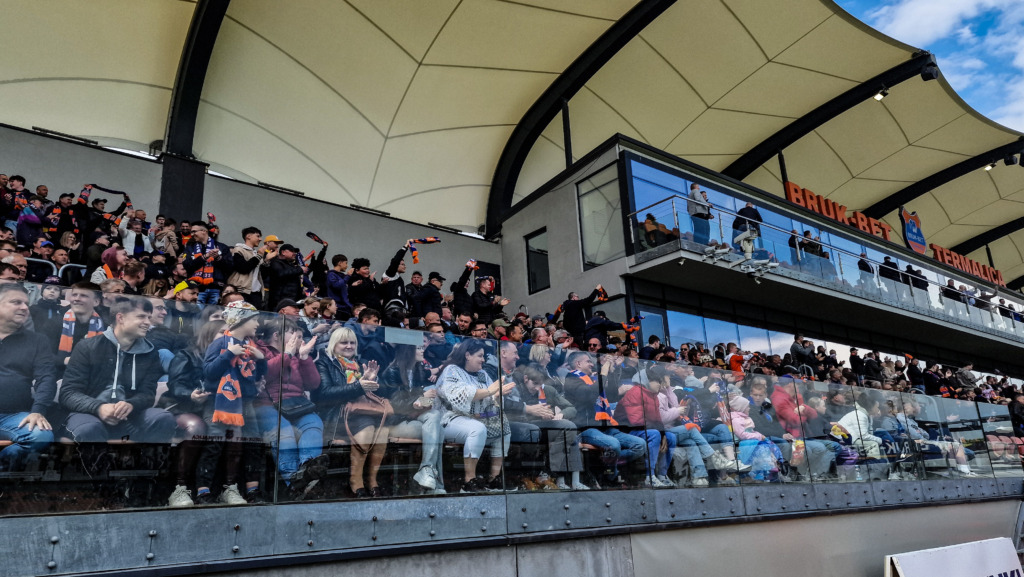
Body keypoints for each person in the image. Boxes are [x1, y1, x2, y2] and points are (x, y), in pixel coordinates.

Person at [60, 297, 177, 444]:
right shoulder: (87, 347)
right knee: (89, 429)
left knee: (163, 418)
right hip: (88, 413)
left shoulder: (150, 352)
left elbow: (148, 394)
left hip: (130, 415)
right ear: (120, 318)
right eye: (141, 316)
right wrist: (99, 407)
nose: (148, 322)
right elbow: (68, 393)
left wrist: (131, 404)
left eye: (148, 317)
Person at [195, 301, 268, 505]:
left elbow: (256, 376)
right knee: (215, 444)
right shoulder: (220, 344)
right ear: (241, 320)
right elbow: (209, 372)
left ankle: (252, 490)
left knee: (252, 444)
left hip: (246, 403)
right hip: (219, 403)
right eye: (254, 319)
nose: (257, 324)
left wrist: (261, 360)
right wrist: (229, 354)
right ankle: (203, 492)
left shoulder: (250, 346)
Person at [254, 318, 327, 498]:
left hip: (296, 404)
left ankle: (307, 470)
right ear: (276, 335)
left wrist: (304, 358)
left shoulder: (295, 354)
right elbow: (265, 374)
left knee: (314, 424)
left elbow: (313, 384)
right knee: (284, 432)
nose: (297, 337)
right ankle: (293, 482)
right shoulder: (259, 350)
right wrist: (286, 354)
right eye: (292, 333)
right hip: (267, 405)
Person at [314, 327, 389, 498]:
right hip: (336, 415)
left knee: (383, 430)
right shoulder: (323, 363)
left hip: (363, 412)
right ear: (334, 344)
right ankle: (355, 480)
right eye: (344, 342)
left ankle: (372, 479)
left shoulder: (360, 363)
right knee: (367, 426)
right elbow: (324, 394)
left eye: (352, 342)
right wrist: (359, 386)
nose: (349, 346)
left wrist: (373, 380)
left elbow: (384, 392)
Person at [437, 339, 513, 493]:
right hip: (449, 419)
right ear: (467, 355)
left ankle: (493, 479)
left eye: (483, 356)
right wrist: (491, 392)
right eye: (480, 356)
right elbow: (461, 395)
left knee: (504, 427)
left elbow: (491, 397)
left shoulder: (482, 374)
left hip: (476, 417)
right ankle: (469, 481)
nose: (483, 360)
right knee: (477, 429)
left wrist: (497, 395)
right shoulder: (452, 370)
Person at [563, 351, 645, 486]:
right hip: (587, 428)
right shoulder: (571, 378)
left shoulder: (592, 379)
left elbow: (612, 395)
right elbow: (588, 394)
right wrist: (603, 372)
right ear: (578, 363)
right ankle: (610, 476)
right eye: (588, 361)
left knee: (640, 445)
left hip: (606, 427)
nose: (592, 364)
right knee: (613, 445)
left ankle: (603, 463)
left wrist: (611, 371)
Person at [164, 320, 223, 507]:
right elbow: (175, 385)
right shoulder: (186, 355)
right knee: (197, 427)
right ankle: (179, 487)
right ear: (209, 335)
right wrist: (190, 394)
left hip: (212, 409)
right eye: (222, 332)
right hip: (183, 407)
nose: (227, 337)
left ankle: (219, 487)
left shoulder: (227, 359)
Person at [0, 283, 57, 471]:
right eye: (16, 302)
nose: (25, 307)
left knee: (40, 435)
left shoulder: (37, 341)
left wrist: (38, 410)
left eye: (26, 303)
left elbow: (46, 378)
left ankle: (4, 461)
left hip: (13, 416)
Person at [379, 343, 446, 493]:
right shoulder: (392, 372)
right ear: (408, 351)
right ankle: (435, 482)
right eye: (419, 348)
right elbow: (397, 405)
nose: (423, 351)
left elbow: (418, 402)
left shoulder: (418, 370)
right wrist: (422, 396)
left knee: (436, 418)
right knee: (437, 430)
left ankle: (428, 473)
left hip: (414, 416)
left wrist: (426, 400)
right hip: (395, 421)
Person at [613, 363, 677, 488]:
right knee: (654, 434)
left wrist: (663, 434)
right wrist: (659, 433)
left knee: (671, 437)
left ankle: (662, 475)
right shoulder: (635, 392)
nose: (660, 385)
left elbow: (657, 419)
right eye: (657, 382)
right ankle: (650, 476)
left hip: (644, 428)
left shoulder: (653, 395)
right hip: (627, 431)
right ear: (647, 381)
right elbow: (636, 421)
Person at [183, 222, 233, 306]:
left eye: (194, 231)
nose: (192, 234)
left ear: (204, 231)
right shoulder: (190, 248)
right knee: (197, 313)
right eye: (191, 232)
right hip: (196, 289)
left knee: (213, 313)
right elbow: (187, 265)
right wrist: (205, 257)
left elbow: (229, 267)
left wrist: (218, 258)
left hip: (216, 288)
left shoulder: (222, 247)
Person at [228, 226, 265, 309]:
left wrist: (267, 261)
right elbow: (243, 268)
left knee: (255, 315)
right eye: (258, 236)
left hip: (256, 292)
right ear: (248, 236)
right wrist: (259, 255)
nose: (260, 239)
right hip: (242, 291)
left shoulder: (256, 253)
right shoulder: (238, 250)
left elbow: (262, 274)